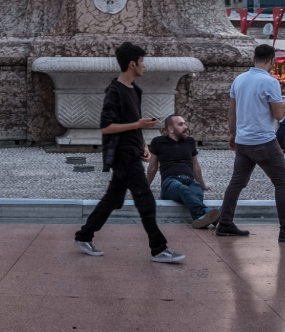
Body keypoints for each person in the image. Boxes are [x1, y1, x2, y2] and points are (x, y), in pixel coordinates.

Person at [74, 42, 183, 263]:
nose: (145, 66)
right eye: (142, 62)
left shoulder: (135, 90)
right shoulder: (114, 92)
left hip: (133, 150)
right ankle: (158, 249)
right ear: (132, 64)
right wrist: (138, 126)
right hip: (122, 154)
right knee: (145, 200)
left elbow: (134, 122)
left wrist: (143, 145)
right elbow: (106, 127)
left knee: (113, 199)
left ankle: (83, 235)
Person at [217, 44, 285, 242]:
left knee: (237, 182)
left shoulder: (239, 80)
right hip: (263, 141)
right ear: (272, 61)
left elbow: (231, 111)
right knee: (283, 182)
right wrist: (283, 104)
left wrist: (232, 134)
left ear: (253, 58)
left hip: (243, 141)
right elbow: (278, 115)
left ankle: (225, 223)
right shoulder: (270, 82)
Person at [147, 114, 220, 229]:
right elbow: (152, 167)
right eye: (180, 124)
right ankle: (206, 211)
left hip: (189, 180)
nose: (185, 127)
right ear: (170, 129)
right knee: (183, 189)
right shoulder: (158, 141)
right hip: (169, 182)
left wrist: (202, 185)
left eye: (185, 123)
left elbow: (195, 166)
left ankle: (199, 220)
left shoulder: (190, 141)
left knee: (196, 190)